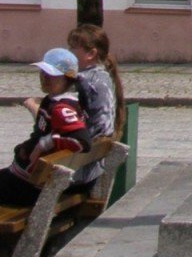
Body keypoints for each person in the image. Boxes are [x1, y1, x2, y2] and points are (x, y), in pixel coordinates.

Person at [0, 48, 90, 208]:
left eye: (52, 76)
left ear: (67, 79)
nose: (44, 78)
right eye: (43, 72)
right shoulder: (53, 101)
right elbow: (48, 126)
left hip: (28, 186)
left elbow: (82, 141)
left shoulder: (62, 108)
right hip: (26, 180)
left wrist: (45, 143)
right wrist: (32, 108)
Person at [67, 24, 124, 189]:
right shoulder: (102, 77)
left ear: (91, 53)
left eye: (72, 48)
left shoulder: (84, 81)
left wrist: (33, 107)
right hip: (93, 168)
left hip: (78, 173)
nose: (69, 53)